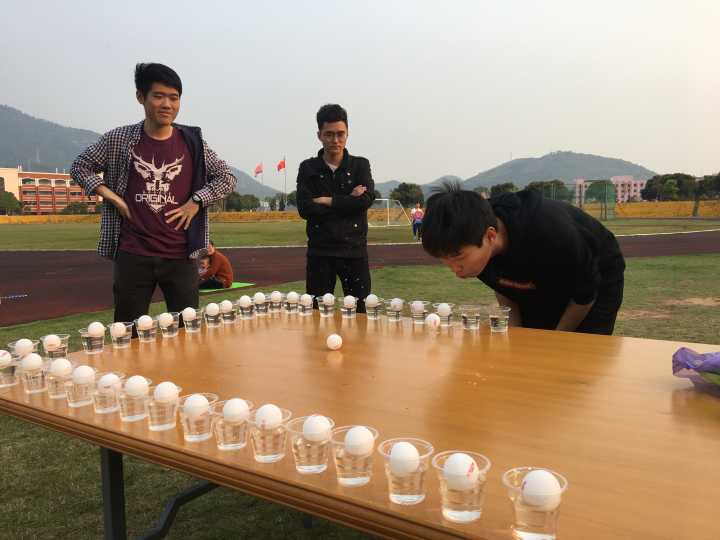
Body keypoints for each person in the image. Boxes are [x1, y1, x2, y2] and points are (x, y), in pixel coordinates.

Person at [71, 63, 236, 325]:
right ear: (141, 97)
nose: (167, 104)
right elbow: (80, 166)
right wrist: (112, 197)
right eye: (158, 96)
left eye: (174, 97)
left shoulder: (193, 142)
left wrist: (196, 201)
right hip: (133, 254)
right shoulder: (118, 139)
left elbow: (227, 177)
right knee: (128, 331)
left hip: (181, 254)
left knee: (186, 330)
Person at [421, 182, 625, 335]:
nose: (456, 270)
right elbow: (502, 284)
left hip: (596, 274)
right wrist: (515, 336)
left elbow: (585, 293)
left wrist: (557, 340)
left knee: (580, 353)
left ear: (490, 236)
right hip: (539, 275)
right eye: (444, 260)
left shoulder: (550, 232)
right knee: (527, 345)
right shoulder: (471, 238)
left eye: (457, 257)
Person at [296, 104, 375, 312]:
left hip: (354, 253)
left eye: (340, 134)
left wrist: (327, 200)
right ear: (319, 135)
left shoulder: (360, 165)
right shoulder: (308, 168)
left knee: (360, 313)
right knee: (317, 315)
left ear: (347, 134)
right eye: (329, 134)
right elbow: (305, 209)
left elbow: (365, 201)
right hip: (320, 253)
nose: (335, 140)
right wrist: (349, 200)